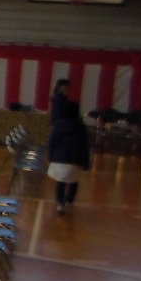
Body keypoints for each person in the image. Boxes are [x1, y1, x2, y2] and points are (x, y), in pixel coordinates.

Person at [48, 78, 91, 214]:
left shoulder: (59, 125)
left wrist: (51, 157)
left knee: (61, 181)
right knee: (74, 180)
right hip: (76, 159)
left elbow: (52, 142)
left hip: (60, 158)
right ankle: (69, 200)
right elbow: (85, 146)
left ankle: (60, 203)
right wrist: (86, 163)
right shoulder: (81, 128)